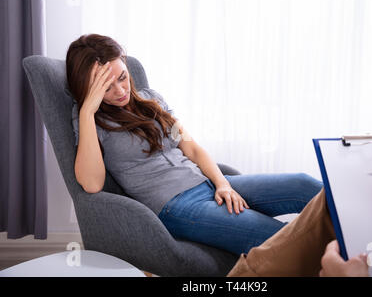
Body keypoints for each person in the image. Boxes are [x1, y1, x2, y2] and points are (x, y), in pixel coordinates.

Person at [67, 34, 323, 256]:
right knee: (280, 237)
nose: (120, 90)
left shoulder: (151, 99)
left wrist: (223, 183)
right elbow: (92, 184)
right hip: (177, 205)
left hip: (206, 182)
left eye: (122, 77)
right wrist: (88, 111)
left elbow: (191, 148)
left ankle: (357, 243)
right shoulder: (91, 121)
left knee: (304, 184)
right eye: (106, 87)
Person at [227, 155, 372, 277]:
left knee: (318, 190)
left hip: (207, 184)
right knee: (333, 200)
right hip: (190, 199)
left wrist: (220, 185)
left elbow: (196, 151)